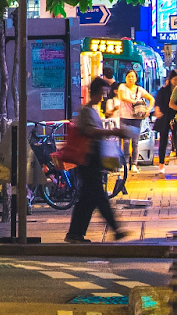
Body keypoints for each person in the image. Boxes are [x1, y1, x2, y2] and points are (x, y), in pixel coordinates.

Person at [65, 77, 132, 242]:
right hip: (87, 159)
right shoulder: (86, 111)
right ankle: (115, 229)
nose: (104, 97)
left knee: (87, 199)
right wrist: (113, 132)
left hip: (92, 160)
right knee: (98, 197)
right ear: (95, 92)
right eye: (103, 93)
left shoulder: (92, 110)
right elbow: (90, 131)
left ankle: (75, 233)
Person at [114, 70, 154, 177]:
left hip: (137, 118)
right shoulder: (122, 87)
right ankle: (125, 163)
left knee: (135, 142)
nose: (130, 79)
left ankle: (134, 164)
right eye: (128, 76)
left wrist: (148, 110)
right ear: (125, 78)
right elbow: (122, 97)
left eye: (132, 77)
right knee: (126, 142)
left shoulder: (139, 89)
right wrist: (135, 102)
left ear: (136, 78)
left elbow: (151, 99)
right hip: (124, 117)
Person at [153, 69, 177, 166]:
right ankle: (161, 163)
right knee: (163, 140)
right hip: (164, 117)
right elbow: (158, 102)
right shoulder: (163, 90)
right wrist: (157, 110)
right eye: (175, 79)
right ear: (170, 79)